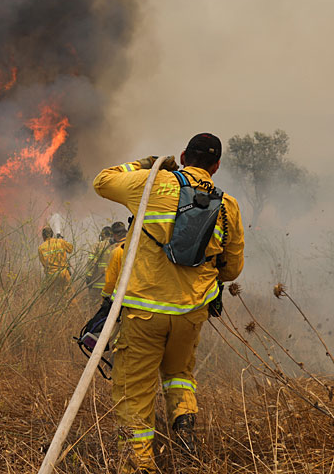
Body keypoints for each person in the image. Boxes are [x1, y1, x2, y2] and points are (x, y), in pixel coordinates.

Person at [92, 133, 244, 473]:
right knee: (178, 373)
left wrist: (146, 163)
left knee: (134, 389)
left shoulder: (151, 184)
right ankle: (183, 420)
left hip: (145, 313)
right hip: (191, 313)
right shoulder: (227, 205)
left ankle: (139, 464)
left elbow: (102, 181)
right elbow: (232, 269)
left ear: (182, 155)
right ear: (216, 167)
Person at [85, 226, 113, 299]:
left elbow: (91, 262)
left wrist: (88, 276)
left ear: (103, 235)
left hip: (97, 282)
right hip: (112, 285)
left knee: (95, 306)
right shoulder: (117, 246)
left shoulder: (97, 246)